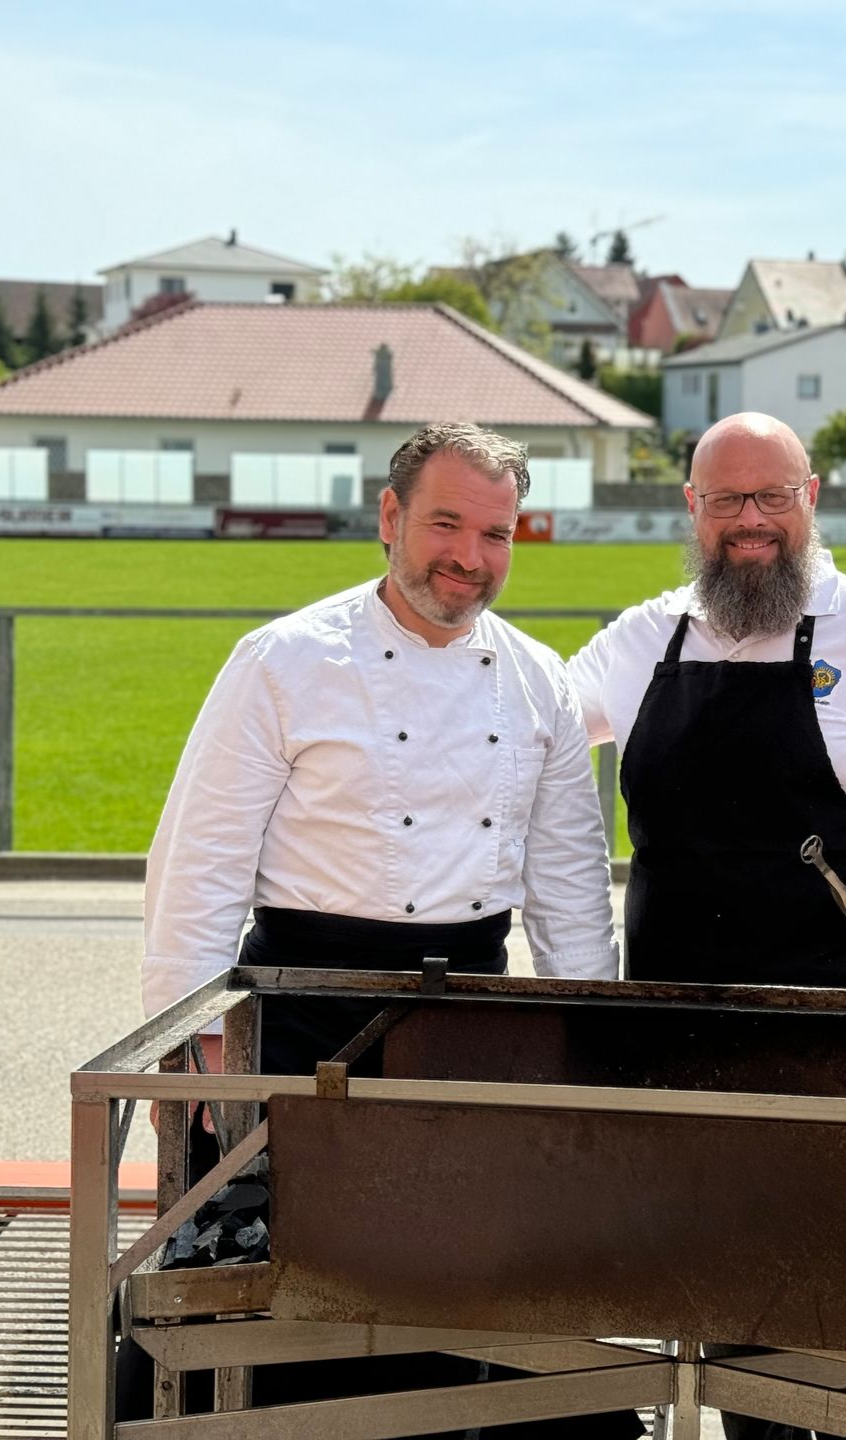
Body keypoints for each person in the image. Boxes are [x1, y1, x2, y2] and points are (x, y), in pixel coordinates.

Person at [138, 422, 641, 1439]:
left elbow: (569, 887)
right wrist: (191, 1049)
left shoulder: (540, 681)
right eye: (446, 524)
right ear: (390, 517)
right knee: (279, 1290)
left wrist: (591, 1043)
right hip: (299, 1013)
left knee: (457, 1284)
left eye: (496, 534)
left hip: (468, 1024)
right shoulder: (282, 661)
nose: (470, 556)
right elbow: (199, 862)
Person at [567, 411, 846, 1440]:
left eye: (773, 495)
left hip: (839, 1028)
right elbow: (530, 731)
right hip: (683, 1031)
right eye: (728, 499)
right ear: (693, 509)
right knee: (722, 1298)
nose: (752, 520)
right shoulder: (645, 639)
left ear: (811, 498)